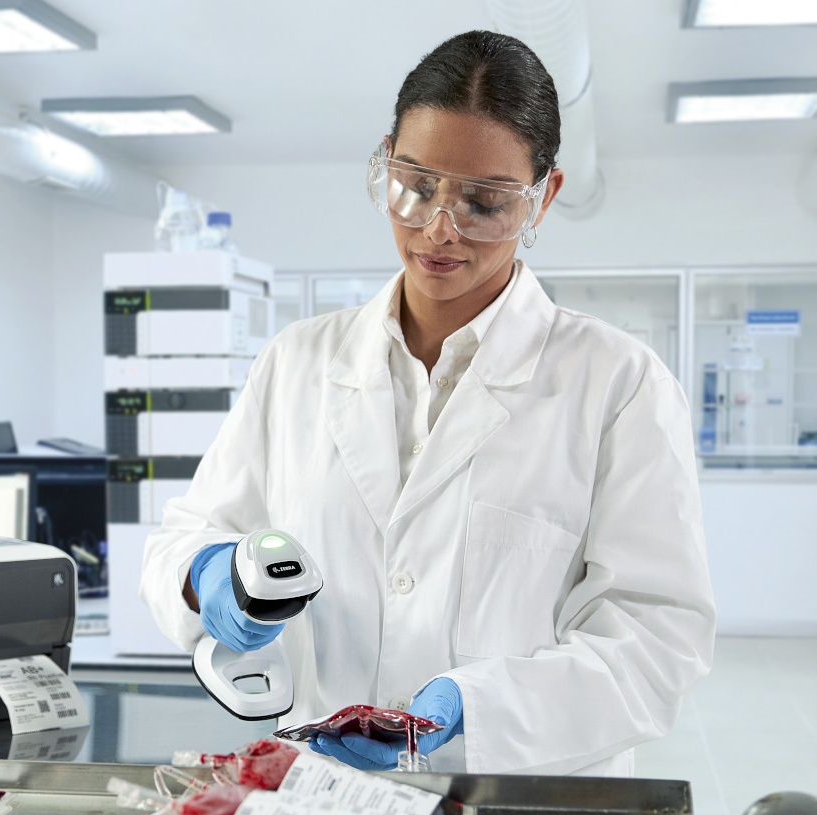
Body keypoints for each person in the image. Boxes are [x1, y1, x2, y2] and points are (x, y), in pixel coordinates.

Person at [141, 30, 715, 777]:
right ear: (386, 162)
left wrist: (476, 706)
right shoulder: (297, 362)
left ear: (543, 198)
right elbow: (185, 536)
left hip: (515, 802)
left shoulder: (618, 384)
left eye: (485, 201)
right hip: (322, 793)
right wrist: (206, 574)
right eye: (415, 186)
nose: (440, 228)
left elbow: (656, 639)